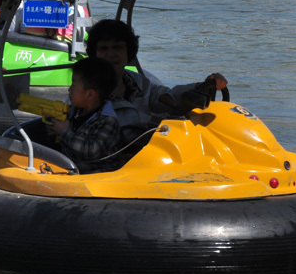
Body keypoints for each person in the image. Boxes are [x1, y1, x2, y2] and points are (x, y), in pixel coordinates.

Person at [86, 19, 227, 161]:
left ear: (128, 51)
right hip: (111, 164)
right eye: (103, 49)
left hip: (151, 157)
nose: (110, 54)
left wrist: (201, 87)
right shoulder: (86, 93)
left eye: (117, 47)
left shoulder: (139, 82)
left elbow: (167, 97)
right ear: (95, 53)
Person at [47, 57, 121, 173]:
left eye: (73, 85)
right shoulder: (74, 111)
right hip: (71, 169)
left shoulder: (108, 121)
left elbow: (91, 151)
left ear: (90, 95)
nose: (69, 90)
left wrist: (64, 132)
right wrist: (53, 127)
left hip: (97, 176)